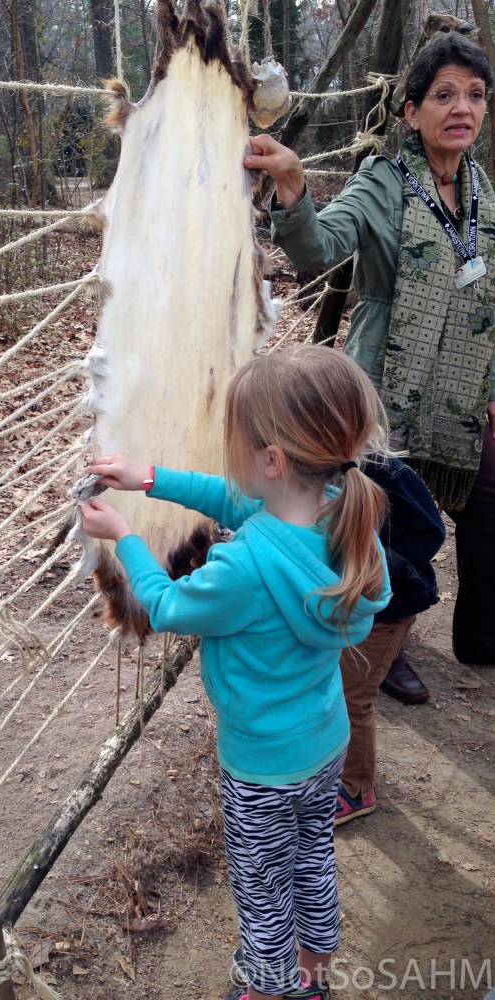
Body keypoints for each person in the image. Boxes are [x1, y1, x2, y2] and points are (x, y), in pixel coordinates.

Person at [80, 345, 392, 1000]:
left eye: (238, 444)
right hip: (324, 744)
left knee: (260, 887)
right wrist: (149, 477)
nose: (231, 459)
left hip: (261, 770)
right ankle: (314, 970)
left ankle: (271, 986)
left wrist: (125, 537)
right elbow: (230, 497)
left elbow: (164, 606)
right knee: (311, 860)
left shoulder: (243, 567)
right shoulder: (341, 511)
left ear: (272, 461)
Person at [245, 29, 495, 674]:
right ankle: (381, 638)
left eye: (474, 95)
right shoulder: (384, 181)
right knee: (382, 512)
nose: (461, 109)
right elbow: (319, 251)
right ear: (412, 112)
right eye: (444, 95)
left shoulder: (482, 190)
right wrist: (295, 186)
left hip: (464, 390)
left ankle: (480, 629)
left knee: (483, 493)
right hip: (384, 381)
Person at [335, 456, 446, 824]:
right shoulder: (317, 465)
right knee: (338, 686)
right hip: (347, 604)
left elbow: (431, 531)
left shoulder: (388, 472)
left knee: (356, 695)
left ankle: (356, 789)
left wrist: (378, 565)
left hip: (386, 609)